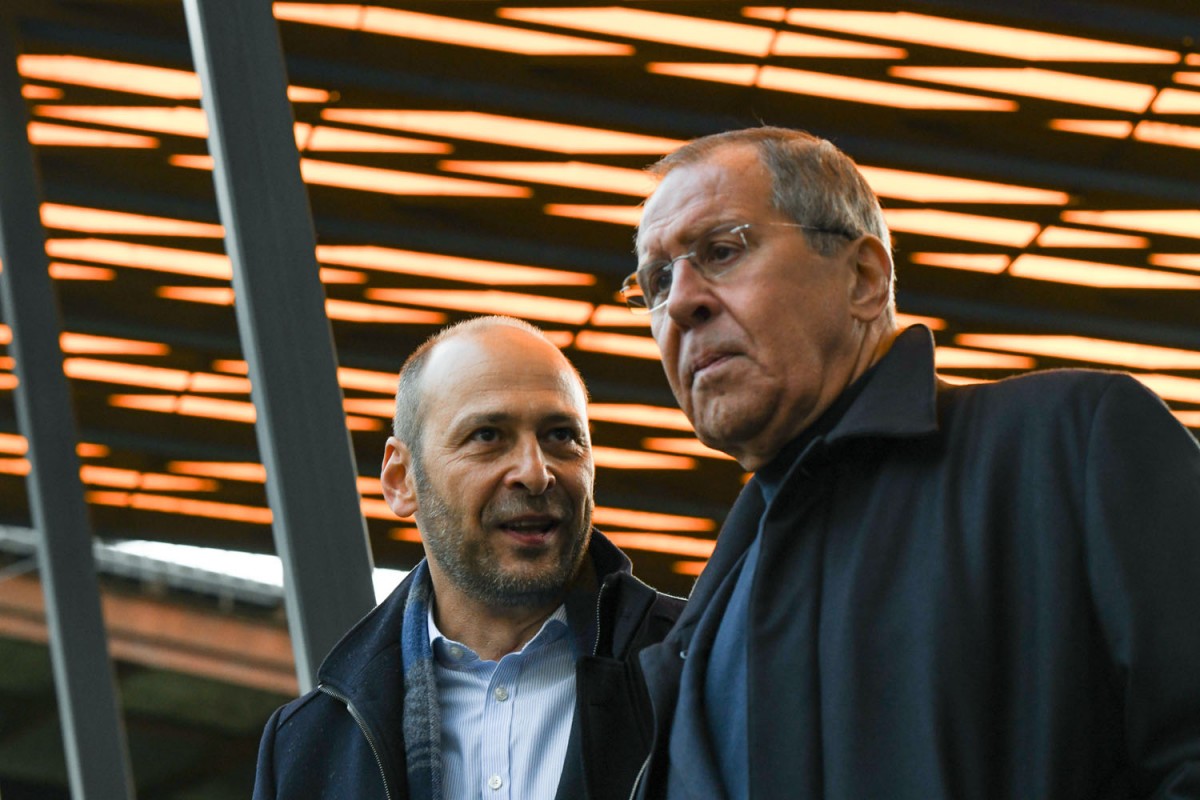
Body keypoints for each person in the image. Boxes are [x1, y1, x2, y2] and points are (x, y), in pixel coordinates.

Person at [623, 126, 1200, 799]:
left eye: (722, 250)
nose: (681, 303)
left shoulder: (1070, 445)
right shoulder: (703, 619)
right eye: (657, 280)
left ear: (864, 279)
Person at [252, 315, 684, 800]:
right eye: (487, 436)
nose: (535, 473)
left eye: (561, 435)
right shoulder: (306, 748)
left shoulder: (697, 664)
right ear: (401, 480)